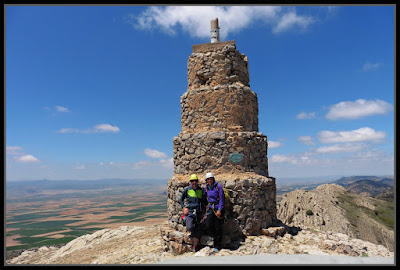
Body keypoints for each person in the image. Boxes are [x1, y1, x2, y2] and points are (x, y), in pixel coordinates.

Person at [179, 173, 206, 252]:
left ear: (197, 181)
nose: (194, 182)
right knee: (189, 227)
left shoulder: (201, 190)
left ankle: (194, 246)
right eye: (192, 181)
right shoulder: (187, 190)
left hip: (199, 212)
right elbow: (181, 199)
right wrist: (184, 207)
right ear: (190, 182)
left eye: (195, 181)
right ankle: (185, 219)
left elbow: (204, 201)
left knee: (199, 228)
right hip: (190, 212)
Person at [203, 172, 224, 252]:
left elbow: (222, 199)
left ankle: (217, 245)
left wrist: (219, 209)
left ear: (213, 179)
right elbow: (204, 197)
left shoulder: (218, 187)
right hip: (211, 208)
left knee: (218, 227)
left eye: (210, 179)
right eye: (208, 179)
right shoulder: (207, 188)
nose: (209, 180)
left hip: (217, 208)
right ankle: (215, 238)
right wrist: (206, 205)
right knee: (208, 225)